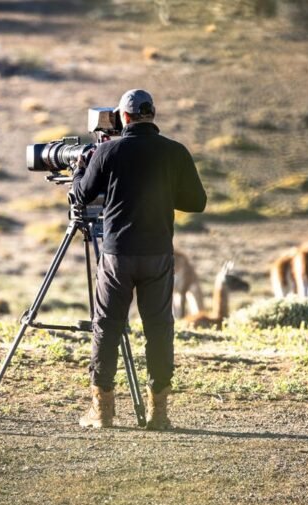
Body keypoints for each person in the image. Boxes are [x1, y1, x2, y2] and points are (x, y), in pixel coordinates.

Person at [72, 89, 207, 430]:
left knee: (107, 327)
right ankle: (158, 414)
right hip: (158, 254)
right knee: (159, 329)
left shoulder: (108, 150)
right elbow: (197, 202)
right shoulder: (175, 152)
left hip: (117, 254)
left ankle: (102, 413)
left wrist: (81, 169)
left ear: (124, 117)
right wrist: (161, 189)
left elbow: (81, 195)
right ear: (153, 114)